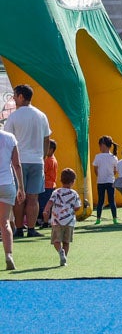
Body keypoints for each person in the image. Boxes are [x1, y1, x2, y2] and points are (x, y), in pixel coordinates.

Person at [5, 84, 51, 238]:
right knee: (33, 198)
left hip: (18, 161)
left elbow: (6, 140)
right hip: (37, 161)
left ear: (21, 97)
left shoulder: (14, 116)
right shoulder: (41, 115)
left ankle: (19, 229)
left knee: (19, 197)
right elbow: (47, 138)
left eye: (15, 95)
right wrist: (43, 156)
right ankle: (31, 229)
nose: (13, 98)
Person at [43, 167, 81, 267]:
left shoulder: (56, 192)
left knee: (56, 240)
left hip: (57, 220)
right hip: (69, 222)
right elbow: (77, 207)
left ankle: (60, 252)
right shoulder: (74, 194)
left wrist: (46, 210)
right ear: (73, 182)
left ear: (61, 180)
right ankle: (64, 258)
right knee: (66, 242)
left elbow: (50, 202)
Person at [1, 124, 22, 270]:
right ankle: (9, 255)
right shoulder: (10, 138)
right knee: (5, 222)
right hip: (7, 183)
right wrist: (21, 187)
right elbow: (17, 165)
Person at [91, 135, 117, 226]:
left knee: (100, 201)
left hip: (101, 181)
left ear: (103, 145)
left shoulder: (98, 157)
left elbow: (95, 168)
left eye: (100, 145)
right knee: (111, 200)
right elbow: (115, 170)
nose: (99, 147)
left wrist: (99, 175)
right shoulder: (113, 157)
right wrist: (111, 176)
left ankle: (98, 219)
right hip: (110, 181)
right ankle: (114, 219)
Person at [37, 140, 58, 229]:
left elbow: (42, 172)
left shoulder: (48, 161)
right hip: (51, 185)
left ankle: (45, 221)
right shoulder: (54, 159)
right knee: (49, 204)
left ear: (51, 149)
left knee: (44, 205)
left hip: (46, 185)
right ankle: (48, 220)